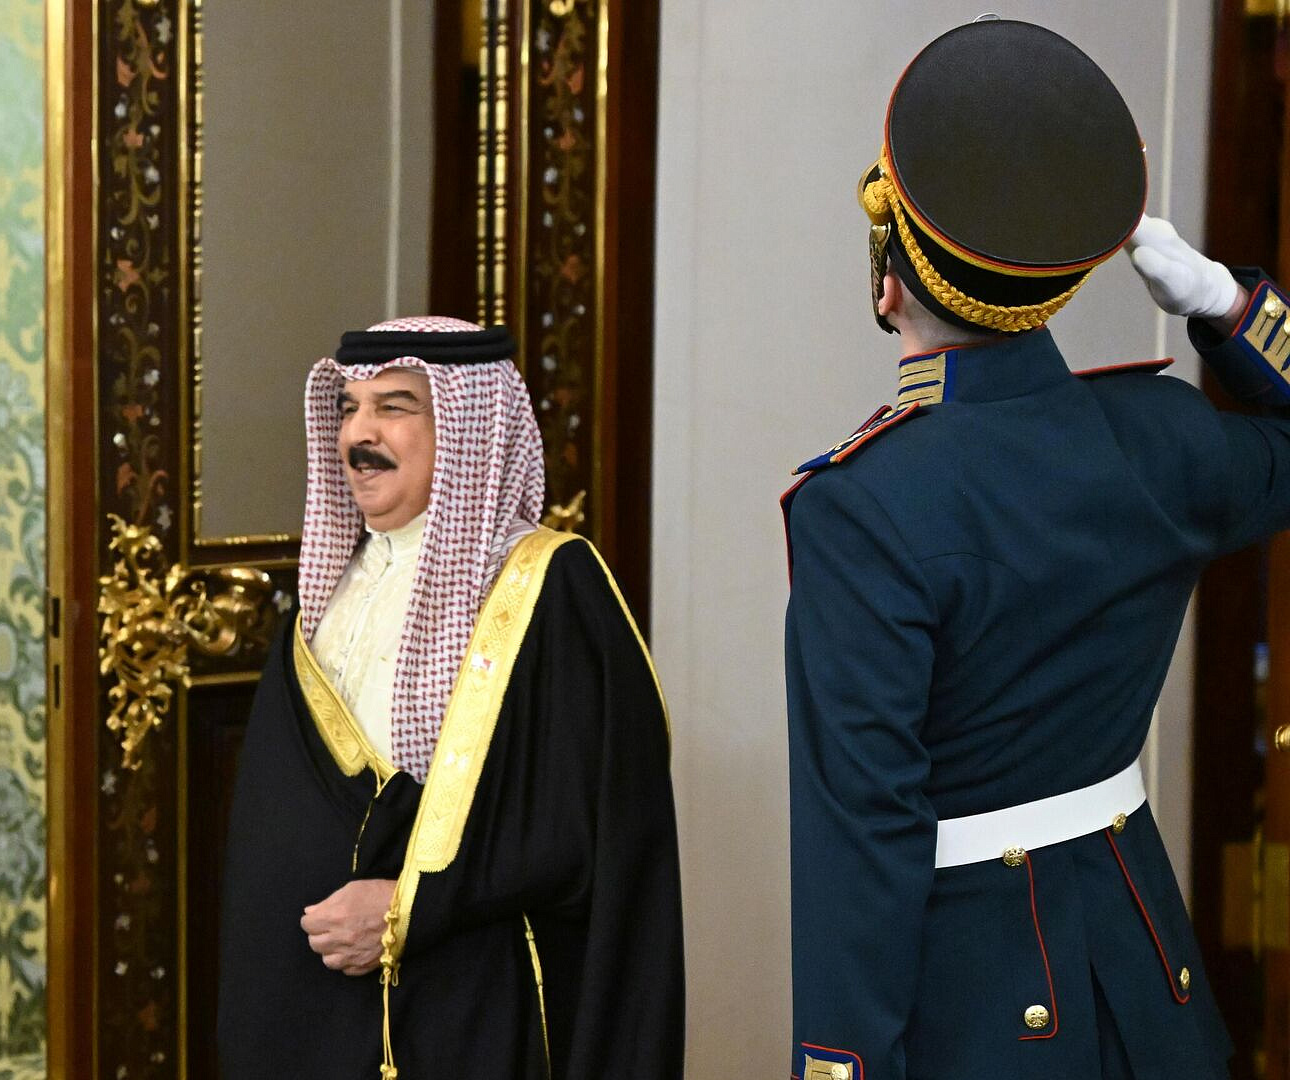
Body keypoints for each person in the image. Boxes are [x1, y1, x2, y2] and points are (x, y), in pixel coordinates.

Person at [784, 18, 1277, 1080]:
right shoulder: (1165, 437)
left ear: (887, 280)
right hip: (1148, 983)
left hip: (971, 1013)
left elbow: (860, 845)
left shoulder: (858, 509)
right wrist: (1228, 306)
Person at [217, 316, 684, 1078]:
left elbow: (591, 827)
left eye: (394, 407)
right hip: (319, 1018)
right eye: (349, 408)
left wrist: (413, 906)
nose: (358, 435)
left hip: (473, 1011)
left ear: (470, 431)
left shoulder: (551, 590)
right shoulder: (330, 589)